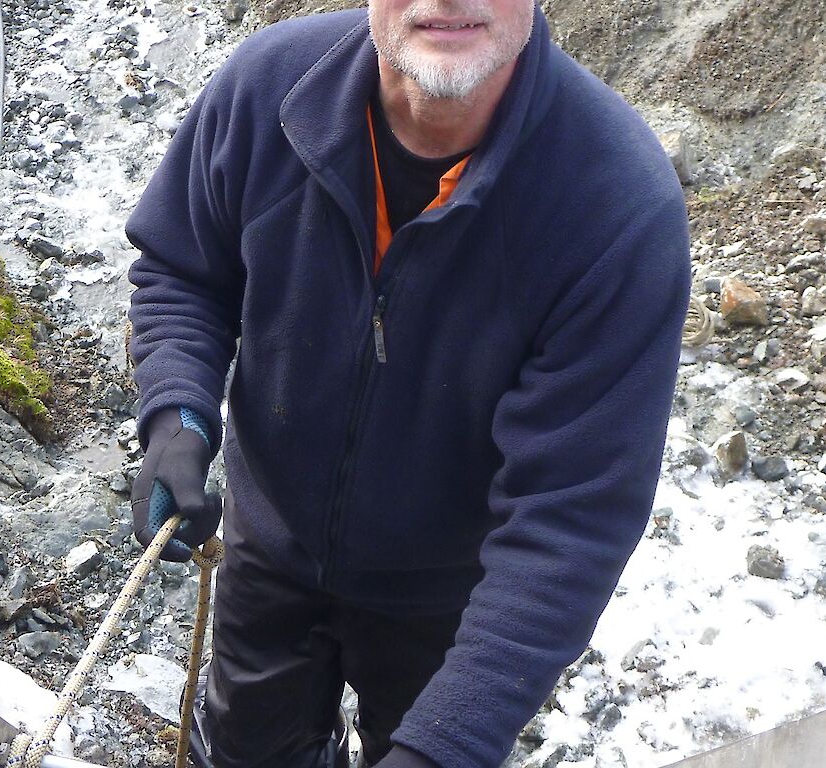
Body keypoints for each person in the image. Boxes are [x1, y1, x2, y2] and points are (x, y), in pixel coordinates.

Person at [122, 0, 690, 766]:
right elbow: (184, 268)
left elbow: (572, 518)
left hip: (456, 598)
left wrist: (445, 746)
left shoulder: (614, 204)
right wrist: (177, 412)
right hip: (270, 547)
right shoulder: (269, 90)